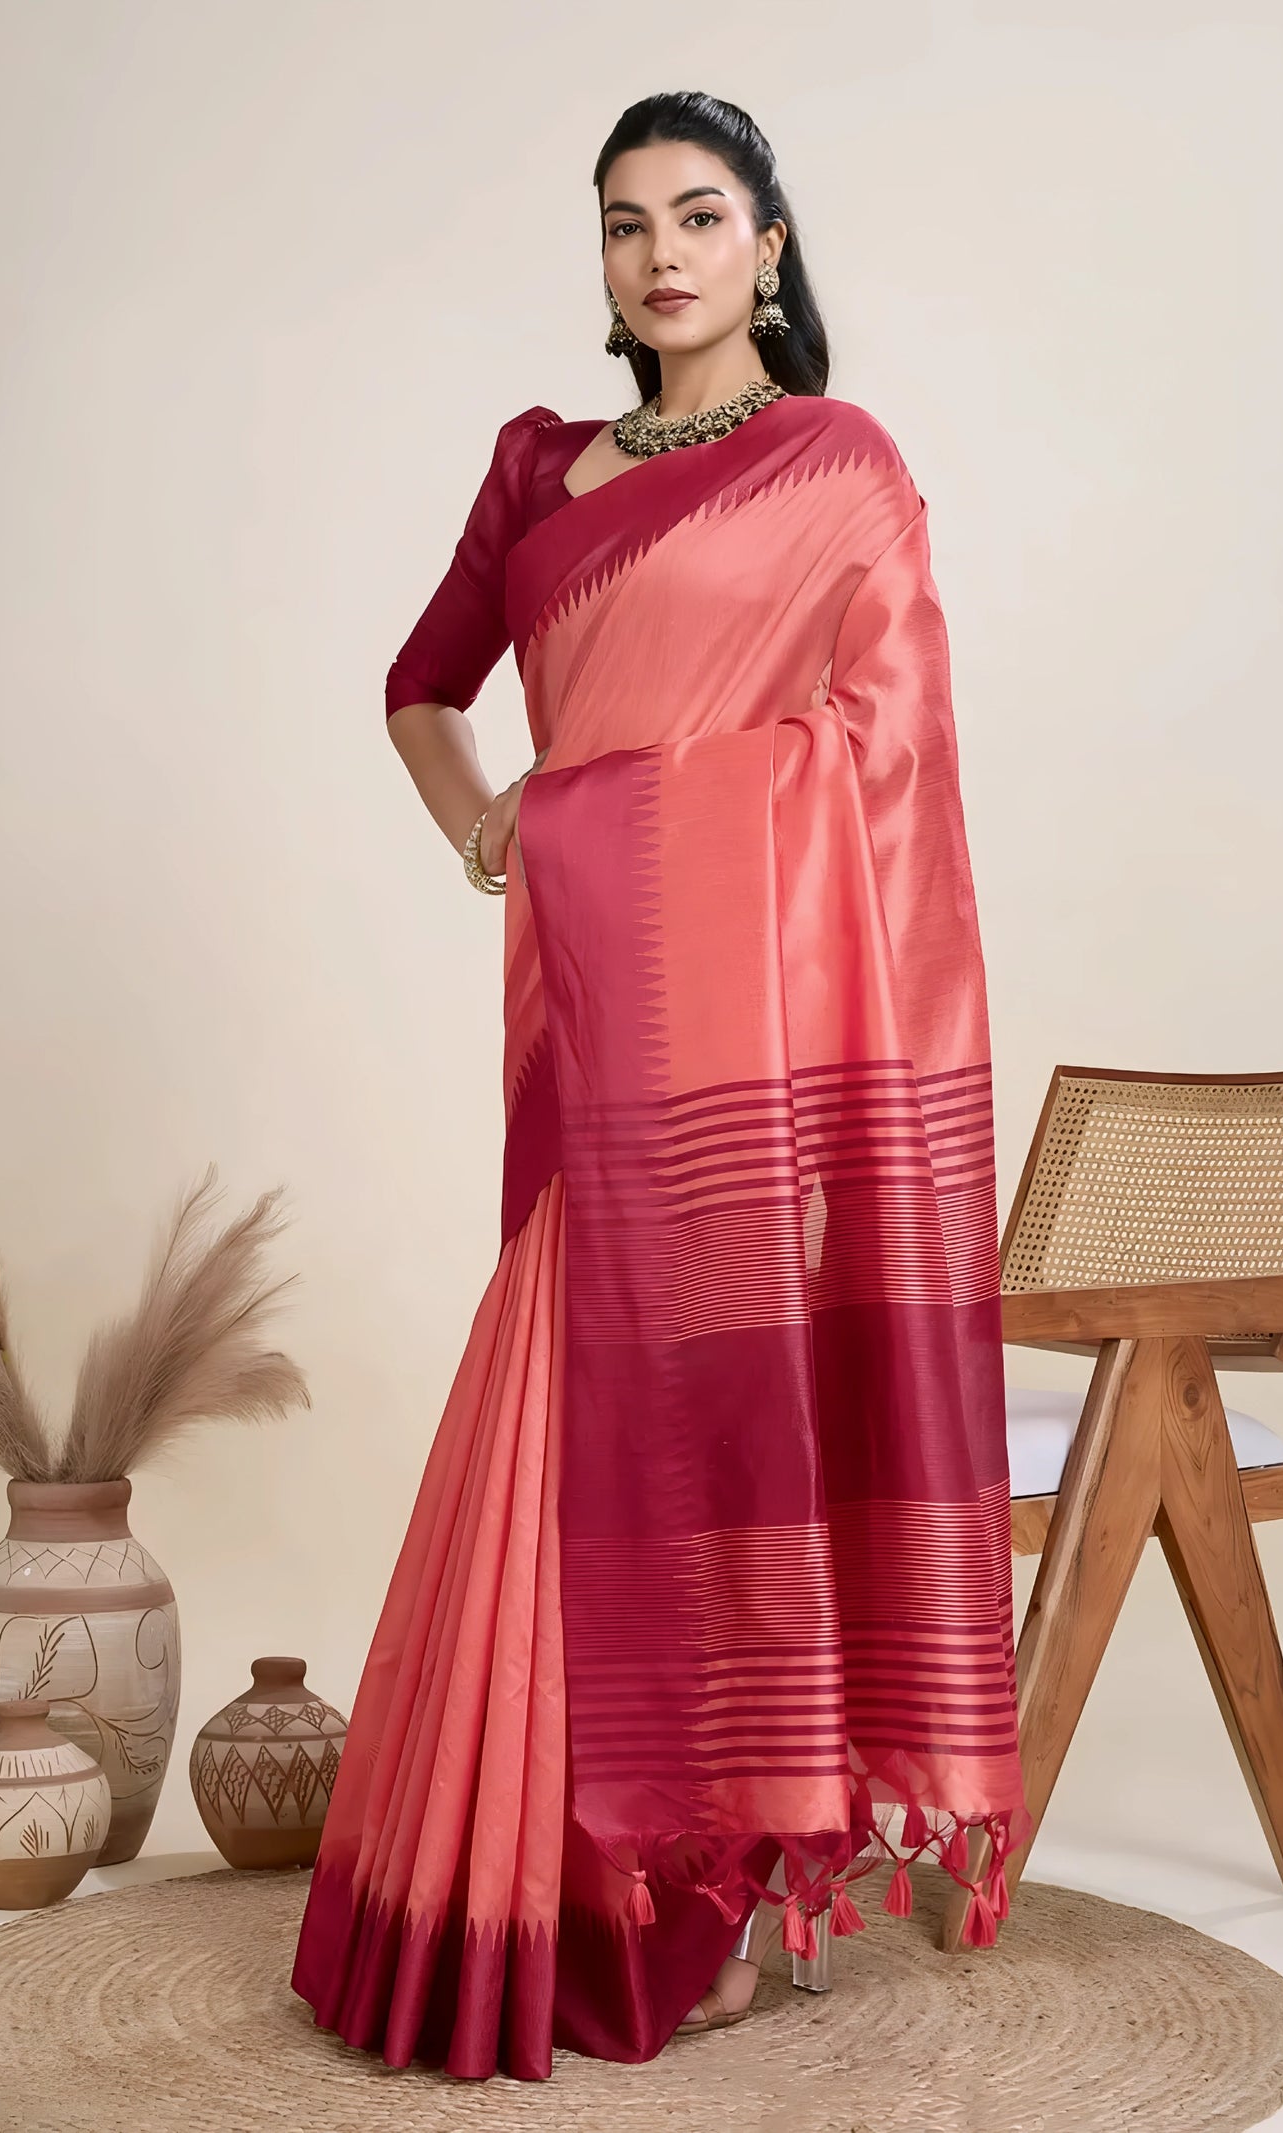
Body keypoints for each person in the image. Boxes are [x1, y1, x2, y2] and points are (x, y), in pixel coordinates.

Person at [290, 88, 1032, 2083]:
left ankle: (699, 1859)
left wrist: (597, 802)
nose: (659, 253)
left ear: (770, 244)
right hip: (594, 1010)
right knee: (578, 1406)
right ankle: (528, 1870)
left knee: (719, 1414)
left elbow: (875, 748)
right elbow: (420, 691)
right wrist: (493, 833)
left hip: (755, 1035)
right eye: (623, 225)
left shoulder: (839, 470)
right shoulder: (538, 473)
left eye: (699, 215)